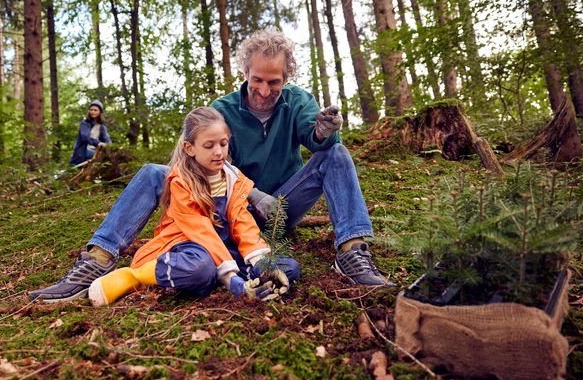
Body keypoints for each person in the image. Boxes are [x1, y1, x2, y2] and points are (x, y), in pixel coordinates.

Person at [30, 29, 392, 303]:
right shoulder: (225, 109)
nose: (265, 91)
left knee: (338, 154)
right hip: (230, 206)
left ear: (287, 77)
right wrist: (251, 193)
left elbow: (315, 138)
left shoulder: (297, 101)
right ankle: (98, 257)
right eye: (257, 81)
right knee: (156, 172)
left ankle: (352, 252)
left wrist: (324, 131)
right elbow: (196, 161)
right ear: (245, 72)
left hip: (281, 206)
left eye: (275, 82)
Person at [88, 107, 297, 306]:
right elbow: (200, 230)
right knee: (200, 269)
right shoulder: (182, 181)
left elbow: (242, 221)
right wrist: (230, 277)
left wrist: (259, 260)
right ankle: (134, 276)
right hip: (189, 246)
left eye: (223, 144)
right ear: (190, 148)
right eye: (209, 146)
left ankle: (244, 281)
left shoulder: (234, 179)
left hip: (225, 250)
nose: (218, 152)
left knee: (288, 268)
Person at [69, 100, 111, 166]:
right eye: (91, 110)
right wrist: (98, 143)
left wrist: (111, 147)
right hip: (82, 153)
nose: (92, 112)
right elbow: (85, 137)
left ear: (100, 112)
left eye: (95, 110)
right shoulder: (85, 123)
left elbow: (107, 139)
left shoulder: (101, 126)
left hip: (95, 151)